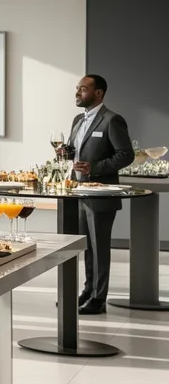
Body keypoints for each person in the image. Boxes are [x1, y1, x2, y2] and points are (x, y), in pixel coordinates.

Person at [59, 75, 132, 314]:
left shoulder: (112, 120)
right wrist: (65, 151)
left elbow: (125, 155)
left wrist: (96, 168)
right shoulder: (78, 120)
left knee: (100, 247)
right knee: (87, 247)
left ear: (98, 93)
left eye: (83, 89)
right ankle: (88, 290)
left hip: (101, 194)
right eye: (77, 89)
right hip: (78, 192)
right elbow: (76, 151)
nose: (78, 93)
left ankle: (99, 298)